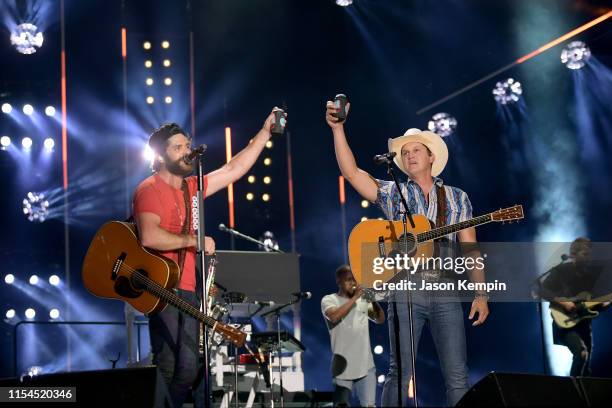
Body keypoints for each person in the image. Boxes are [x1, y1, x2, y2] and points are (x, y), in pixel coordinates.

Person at [325, 101, 489, 406]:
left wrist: (481, 294)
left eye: (415, 150)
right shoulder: (391, 193)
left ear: (431, 157)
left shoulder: (456, 197)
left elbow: (470, 248)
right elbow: (351, 172)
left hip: (444, 289)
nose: (409, 155)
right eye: (405, 152)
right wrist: (338, 128)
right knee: (399, 371)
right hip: (405, 288)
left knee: (457, 375)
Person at [133, 108, 285, 407]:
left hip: (189, 288)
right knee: (166, 364)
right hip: (160, 287)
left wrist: (265, 132)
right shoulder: (148, 189)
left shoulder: (193, 187)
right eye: (178, 147)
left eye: (187, 145)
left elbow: (233, 169)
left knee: (189, 368)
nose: (187, 151)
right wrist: (194, 240)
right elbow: (149, 236)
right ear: (161, 156)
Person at [540, 237, 610, 376]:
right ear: (573, 254)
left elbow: (595, 305)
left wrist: (605, 304)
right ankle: (569, 393)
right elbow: (541, 290)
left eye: (590, 254)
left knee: (586, 368)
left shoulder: (590, 278)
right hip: (564, 323)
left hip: (584, 324)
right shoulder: (560, 271)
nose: (589, 258)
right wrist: (563, 302)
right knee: (581, 353)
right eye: (585, 254)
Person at [322, 265, 385, 407]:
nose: (353, 283)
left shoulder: (362, 301)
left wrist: (372, 299)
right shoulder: (329, 299)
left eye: (355, 280)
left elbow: (380, 319)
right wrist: (356, 297)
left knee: (369, 405)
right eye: (349, 280)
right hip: (342, 366)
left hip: (366, 365)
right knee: (341, 405)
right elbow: (334, 316)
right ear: (339, 281)